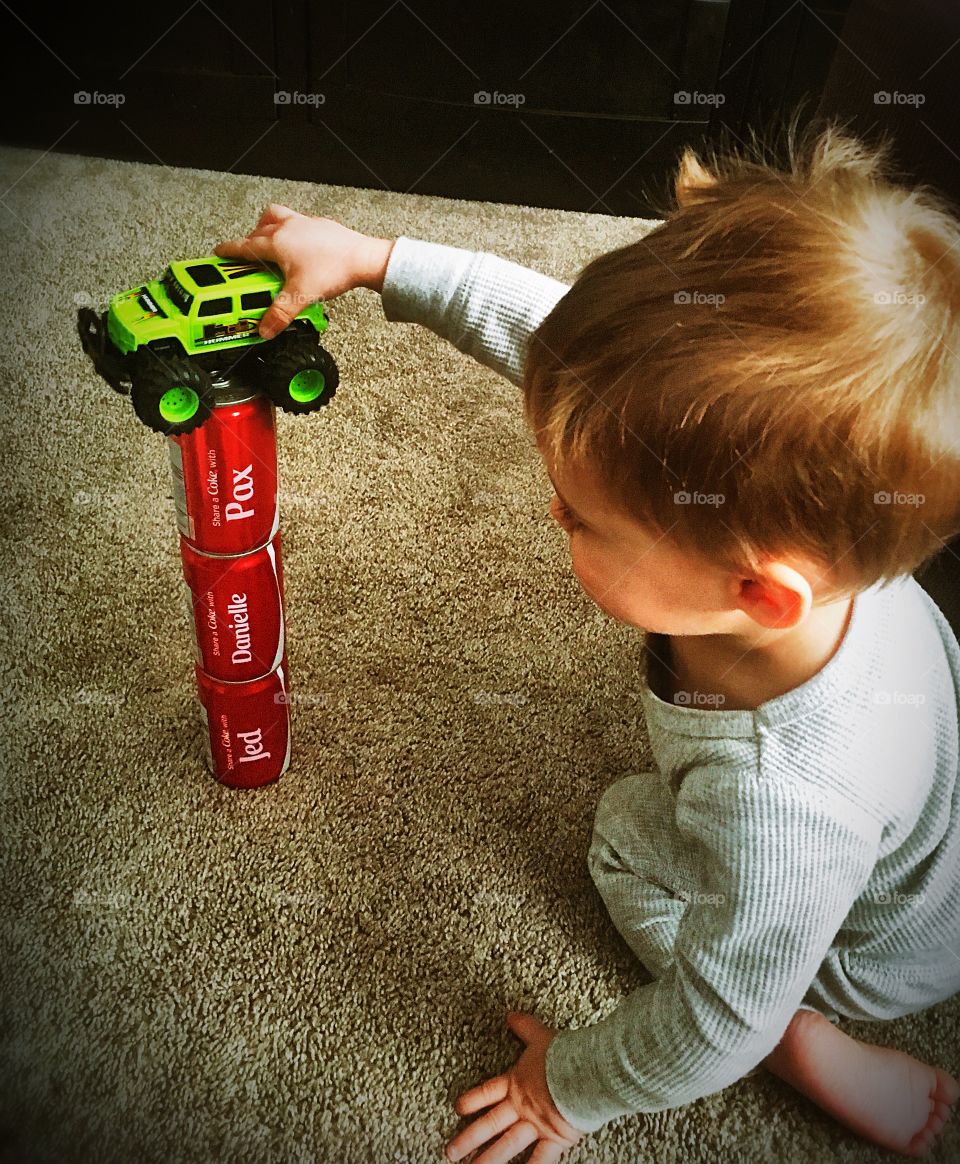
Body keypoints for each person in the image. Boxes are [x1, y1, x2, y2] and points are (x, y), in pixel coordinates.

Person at [214, 118, 960, 1162]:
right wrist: (378, 262)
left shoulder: (783, 805)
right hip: (913, 832)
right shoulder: (841, 522)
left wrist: (565, 1093)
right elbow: (558, 342)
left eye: (580, 516)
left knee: (623, 834)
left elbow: (713, 1019)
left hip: (854, 949)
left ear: (759, 591)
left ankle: (805, 1044)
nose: (552, 513)